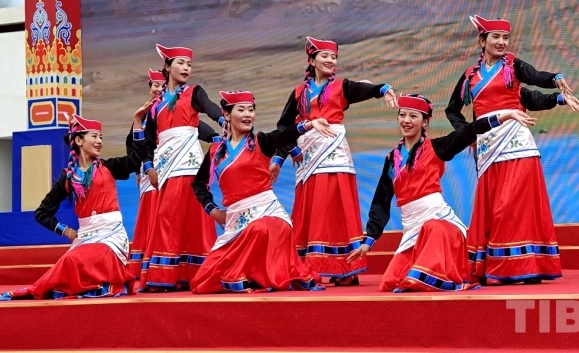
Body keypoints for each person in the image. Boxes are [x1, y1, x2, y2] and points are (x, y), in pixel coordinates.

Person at [445, 15, 579, 284]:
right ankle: (503, 265)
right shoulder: (470, 77)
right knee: (495, 207)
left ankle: (522, 265)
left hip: (518, 145)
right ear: (482, 41)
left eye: (506, 38)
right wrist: (467, 134)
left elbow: (536, 81)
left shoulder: (513, 66)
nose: (502, 42)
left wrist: (557, 81)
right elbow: (453, 110)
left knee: (513, 206)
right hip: (488, 147)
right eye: (496, 37)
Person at [350, 94, 538, 291]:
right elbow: (381, 200)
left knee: (431, 230)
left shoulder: (435, 147)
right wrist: (369, 240)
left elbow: (469, 131)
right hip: (413, 230)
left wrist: (505, 115)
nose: (406, 120)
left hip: (442, 226)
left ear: (425, 122)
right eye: (402, 115)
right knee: (390, 282)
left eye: (413, 116)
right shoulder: (392, 159)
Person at [275, 37, 397, 285]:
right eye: (325, 56)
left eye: (334, 57)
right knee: (312, 209)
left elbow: (367, 89)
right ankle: (308, 268)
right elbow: (284, 127)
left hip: (335, 157)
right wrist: (284, 154)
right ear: (312, 61)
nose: (331, 60)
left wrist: (383, 89)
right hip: (309, 158)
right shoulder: (299, 93)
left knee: (336, 208)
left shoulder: (342, 87)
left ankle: (344, 267)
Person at [191, 90, 335, 293]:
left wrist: (308, 125)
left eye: (251, 110)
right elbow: (198, 184)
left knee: (259, 229)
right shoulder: (216, 151)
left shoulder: (261, 142)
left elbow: (283, 135)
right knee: (203, 282)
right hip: (236, 223)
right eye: (241, 110)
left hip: (270, 216)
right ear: (227, 114)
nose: (248, 115)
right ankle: (253, 277)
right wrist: (214, 211)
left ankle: (241, 276)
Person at [1, 109, 151, 300]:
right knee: (70, 260)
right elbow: (42, 213)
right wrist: (67, 231)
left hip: (112, 236)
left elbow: (136, 159)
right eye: (94, 136)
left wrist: (137, 121)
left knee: (86, 258)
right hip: (85, 237)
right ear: (79, 140)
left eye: (101, 137)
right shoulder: (69, 177)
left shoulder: (109, 167)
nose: (99, 141)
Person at [138, 44, 224, 290]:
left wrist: (224, 120)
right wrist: (149, 168)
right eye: (181, 63)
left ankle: (200, 273)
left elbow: (209, 107)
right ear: (167, 67)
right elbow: (147, 142)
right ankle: (165, 276)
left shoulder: (193, 92)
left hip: (191, 166)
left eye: (189, 64)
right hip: (167, 169)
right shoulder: (155, 107)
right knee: (168, 217)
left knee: (197, 220)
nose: (186, 68)